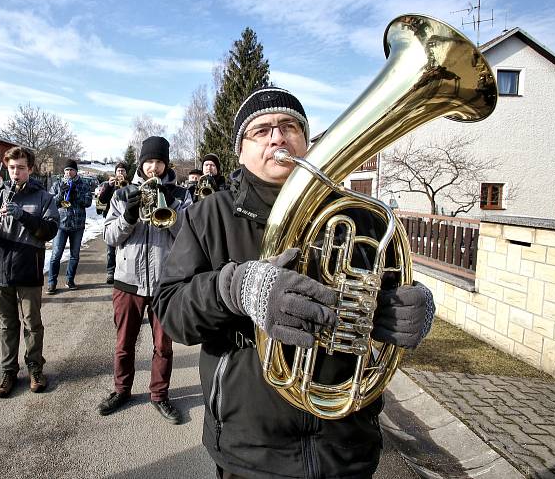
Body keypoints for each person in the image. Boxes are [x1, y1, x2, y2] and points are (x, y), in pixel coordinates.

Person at [154, 87, 434, 478]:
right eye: (261, 130)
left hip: (348, 443)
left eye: (289, 126)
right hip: (250, 450)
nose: (277, 136)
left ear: (305, 140)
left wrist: (412, 309)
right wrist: (233, 288)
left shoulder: (359, 215)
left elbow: (391, 288)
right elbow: (171, 312)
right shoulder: (206, 216)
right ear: (240, 150)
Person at [97, 136, 191, 424]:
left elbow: (190, 236)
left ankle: (160, 395)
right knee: (124, 342)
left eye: (158, 162)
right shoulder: (122, 194)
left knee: (163, 345)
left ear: (166, 164)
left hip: (166, 284)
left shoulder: (180, 195)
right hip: (128, 282)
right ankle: (121, 390)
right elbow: (109, 236)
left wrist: (171, 212)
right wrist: (128, 216)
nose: (153, 167)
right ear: (141, 163)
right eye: (148, 161)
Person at [0, 146, 59, 397]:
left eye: (21, 168)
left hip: (28, 267)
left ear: (30, 169)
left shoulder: (43, 198)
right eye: (12, 168)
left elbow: (49, 231)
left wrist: (23, 216)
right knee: (6, 324)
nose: (16, 172)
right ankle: (8, 370)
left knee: (32, 323)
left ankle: (35, 367)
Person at [47, 159, 92, 293]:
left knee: (74, 255)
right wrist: (61, 194)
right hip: (61, 224)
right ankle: (51, 282)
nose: (68, 172)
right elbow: (51, 203)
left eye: (71, 170)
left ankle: (69, 279)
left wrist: (76, 195)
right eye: (66, 170)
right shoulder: (57, 184)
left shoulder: (83, 184)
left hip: (77, 225)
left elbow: (88, 202)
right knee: (56, 255)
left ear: (76, 171)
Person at [95, 162, 128, 284]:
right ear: (115, 172)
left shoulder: (130, 185)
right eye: (118, 171)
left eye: (123, 171)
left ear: (126, 173)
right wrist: (109, 186)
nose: (120, 173)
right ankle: (110, 272)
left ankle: (123, 272)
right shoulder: (108, 184)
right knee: (110, 248)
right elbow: (102, 200)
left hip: (126, 219)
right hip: (112, 218)